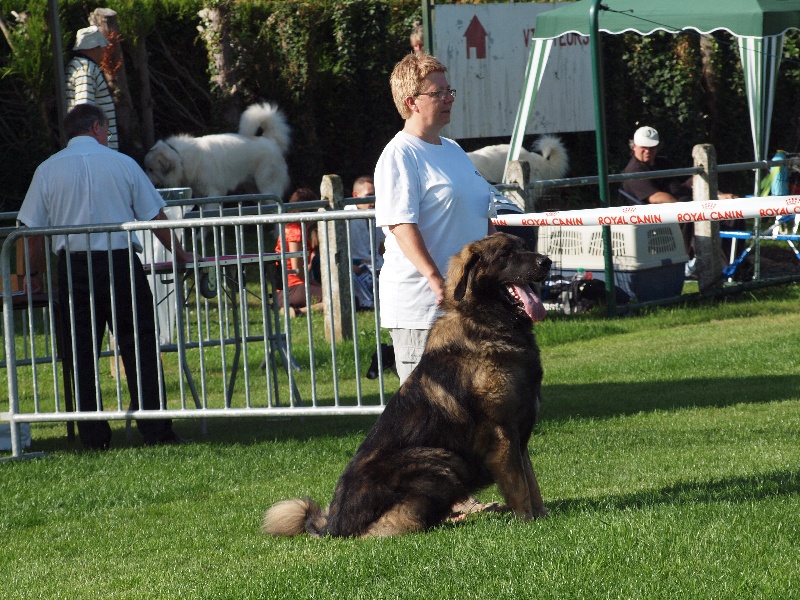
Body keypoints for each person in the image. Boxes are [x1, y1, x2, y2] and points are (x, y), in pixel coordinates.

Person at [18, 103, 195, 449]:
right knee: (139, 343)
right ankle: (156, 430)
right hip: (119, 263)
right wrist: (181, 254)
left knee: (79, 350)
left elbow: (32, 231)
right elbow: (155, 217)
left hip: (73, 267)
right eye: (107, 129)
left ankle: (93, 436)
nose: (109, 135)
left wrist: (32, 273)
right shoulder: (122, 163)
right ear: (97, 127)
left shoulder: (47, 170)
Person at [375, 53, 543, 384]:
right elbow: (400, 225)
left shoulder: (453, 150)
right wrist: (434, 278)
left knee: (468, 411)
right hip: (423, 306)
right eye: (438, 93)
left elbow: (481, 218)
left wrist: (505, 269)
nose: (449, 98)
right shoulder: (400, 155)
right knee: (428, 412)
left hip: (466, 305)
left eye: (449, 90)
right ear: (412, 102)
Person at [622, 125, 738, 276]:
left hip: (691, 206)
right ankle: (690, 264)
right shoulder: (633, 170)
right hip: (659, 216)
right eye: (644, 147)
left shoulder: (664, 163)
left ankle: (734, 264)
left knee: (733, 216)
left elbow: (693, 180)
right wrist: (685, 207)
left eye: (652, 147)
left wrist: (718, 195)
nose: (648, 151)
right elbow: (655, 197)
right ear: (634, 146)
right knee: (689, 217)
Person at [66, 26, 118, 150]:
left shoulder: (77, 65)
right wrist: (96, 147)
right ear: (93, 48)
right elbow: (84, 109)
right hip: (98, 149)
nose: (103, 51)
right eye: (101, 47)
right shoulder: (86, 69)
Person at [274, 187, 323, 314]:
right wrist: (315, 285)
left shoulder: (295, 229)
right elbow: (297, 270)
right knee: (339, 298)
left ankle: (291, 309)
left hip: (287, 289)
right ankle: (300, 311)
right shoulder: (295, 230)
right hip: (291, 288)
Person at [346, 176, 385, 309]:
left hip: (376, 266)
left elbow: (381, 248)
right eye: (369, 195)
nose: (373, 200)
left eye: (374, 195)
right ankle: (369, 304)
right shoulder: (345, 216)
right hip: (354, 268)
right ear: (355, 196)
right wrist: (354, 265)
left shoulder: (378, 215)